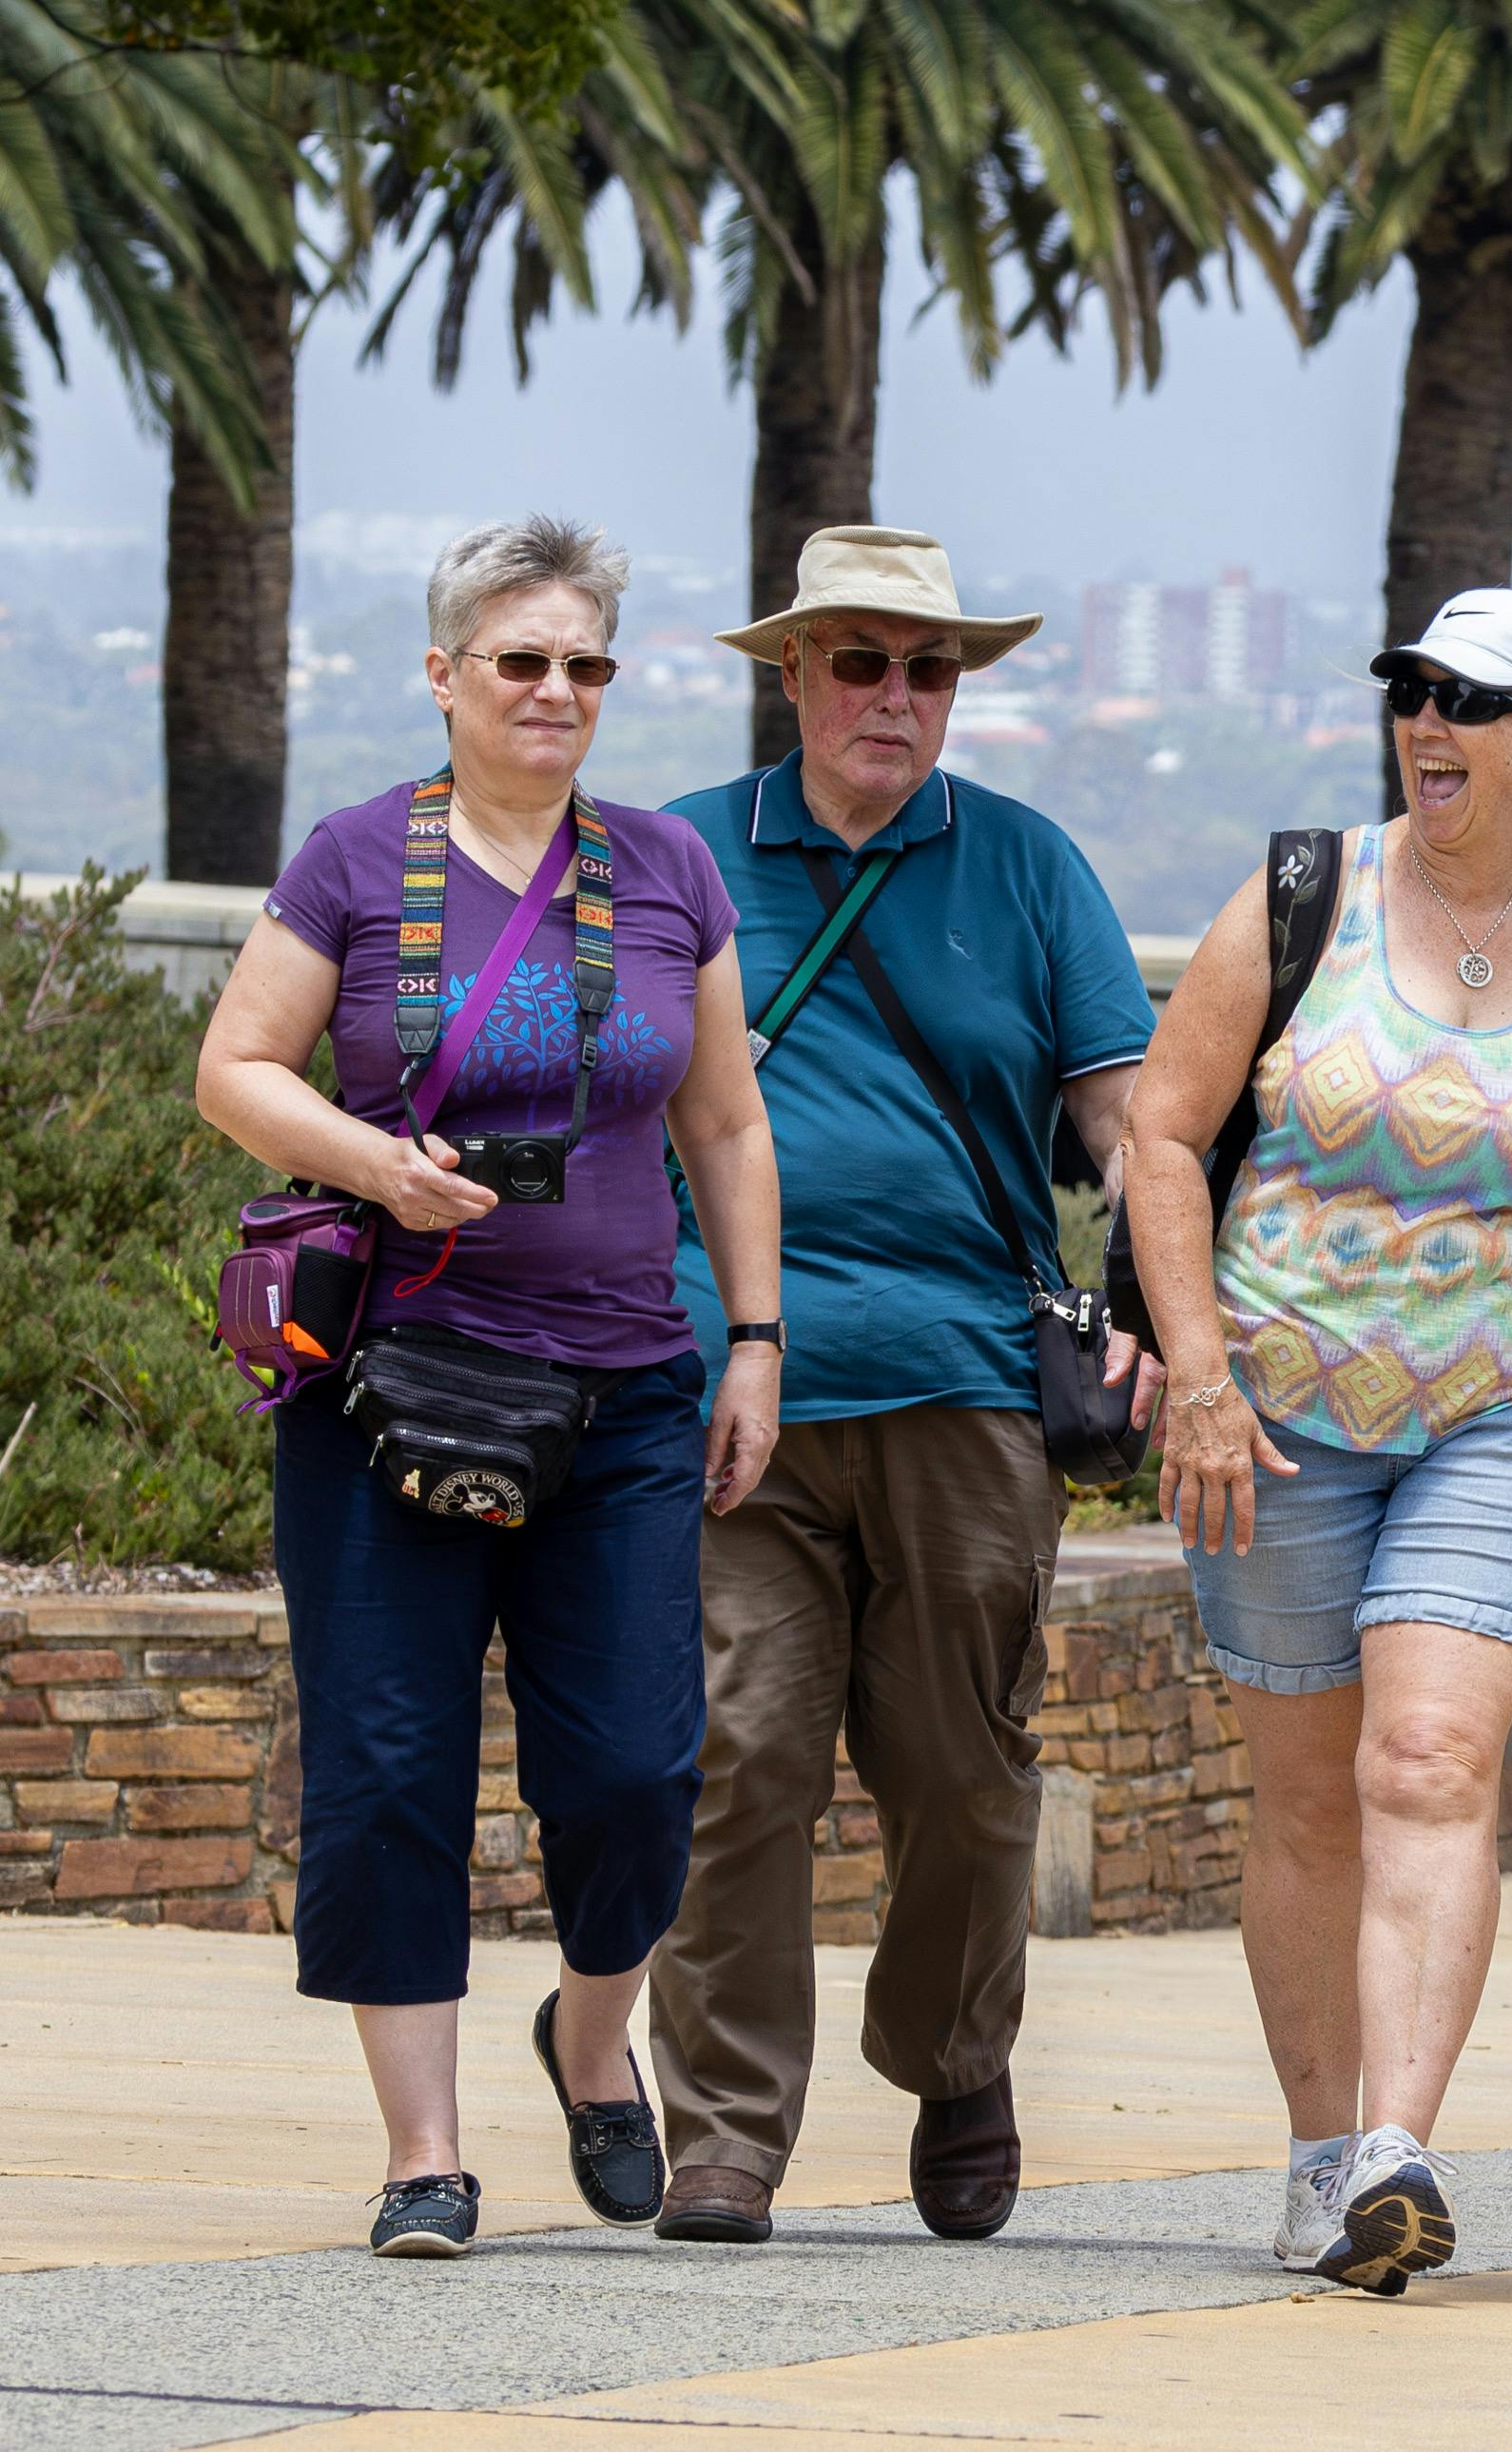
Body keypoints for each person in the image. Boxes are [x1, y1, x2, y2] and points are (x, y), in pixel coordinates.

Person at [194, 516, 783, 2258]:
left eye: (585, 663)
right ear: (445, 674)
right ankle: (424, 2152)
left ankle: (594, 2047)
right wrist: (377, 1165)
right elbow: (236, 1065)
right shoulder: (357, 860)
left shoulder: (669, 868)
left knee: (635, 1767)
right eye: (520, 659)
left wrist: (754, 1337)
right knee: (387, 1769)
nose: (554, 690)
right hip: (391, 1387)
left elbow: (728, 1122)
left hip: (623, 1391)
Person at [1125, 587, 1512, 2297]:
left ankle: (1396, 2147)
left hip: (1502, 1414)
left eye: (1475, 703)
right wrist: (1198, 1372)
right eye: (1415, 693)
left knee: (1428, 1762)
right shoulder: (1306, 895)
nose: (1431, 724)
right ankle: (1312, 2140)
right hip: (1276, 1417)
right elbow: (1161, 1132)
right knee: (1305, 1801)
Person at [645, 527, 1157, 2247]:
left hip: (964, 1383)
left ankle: (953, 2056)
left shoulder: (1025, 865)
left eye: (925, 667)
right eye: (857, 661)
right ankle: (724, 2126)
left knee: (963, 1768)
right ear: (786, 673)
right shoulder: (680, 856)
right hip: (731, 1382)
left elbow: (1124, 1118)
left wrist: (1170, 1308)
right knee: (739, 1755)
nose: (894, 696)